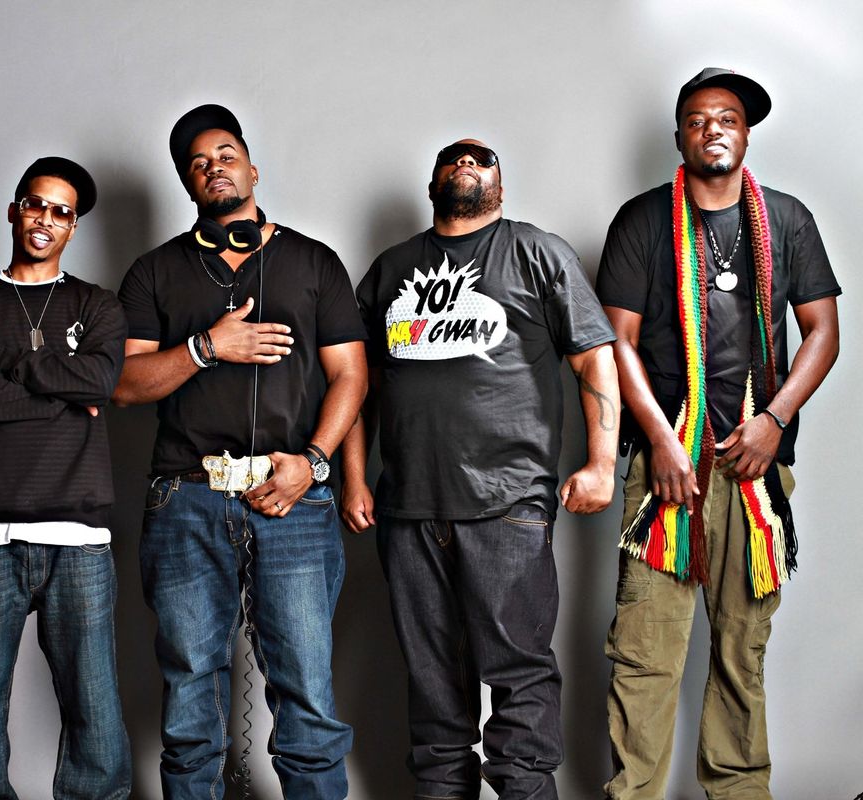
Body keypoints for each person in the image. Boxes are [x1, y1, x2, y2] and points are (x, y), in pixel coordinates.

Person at [341, 138, 620, 800]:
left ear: (500, 184)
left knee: (519, 677)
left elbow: (593, 358)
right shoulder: (391, 268)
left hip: (507, 504)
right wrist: (353, 478)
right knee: (433, 689)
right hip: (409, 510)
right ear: (432, 184)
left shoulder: (537, 253)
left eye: (482, 158)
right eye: (453, 158)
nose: (467, 164)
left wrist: (602, 462)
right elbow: (355, 381)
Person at [597, 68, 840, 799]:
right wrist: (661, 443)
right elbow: (615, 343)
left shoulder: (787, 220)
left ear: (746, 134)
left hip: (753, 470)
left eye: (728, 118)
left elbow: (823, 331)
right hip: (664, 465)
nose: (714, 130)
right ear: (680, 136)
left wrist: (774, 421)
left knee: (741, 650)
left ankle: (739, 791)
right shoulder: (643, 220)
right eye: (699, 119)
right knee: (645, 653)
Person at [114, 104, 367, 799]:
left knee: (307, 694)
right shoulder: (154, 272)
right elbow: (126, 385)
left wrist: (313, 463)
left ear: (253, 169)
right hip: (186, 501)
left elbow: (351, 375)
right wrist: (207, 347)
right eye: (198, 163)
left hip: (294, 498)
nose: (214, 167)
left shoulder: (314, 262)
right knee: (190, 695)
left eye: (226, 154)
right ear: (188, 184)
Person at [0, 157, 131, 800]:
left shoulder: (97, 305)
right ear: (14, 210)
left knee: (93, 700)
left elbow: (99, 381)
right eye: (36, 204)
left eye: (61, 212)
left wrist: (8, 365)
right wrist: (59, 390)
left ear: (73, 227)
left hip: (78, 536)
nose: (46, 219)